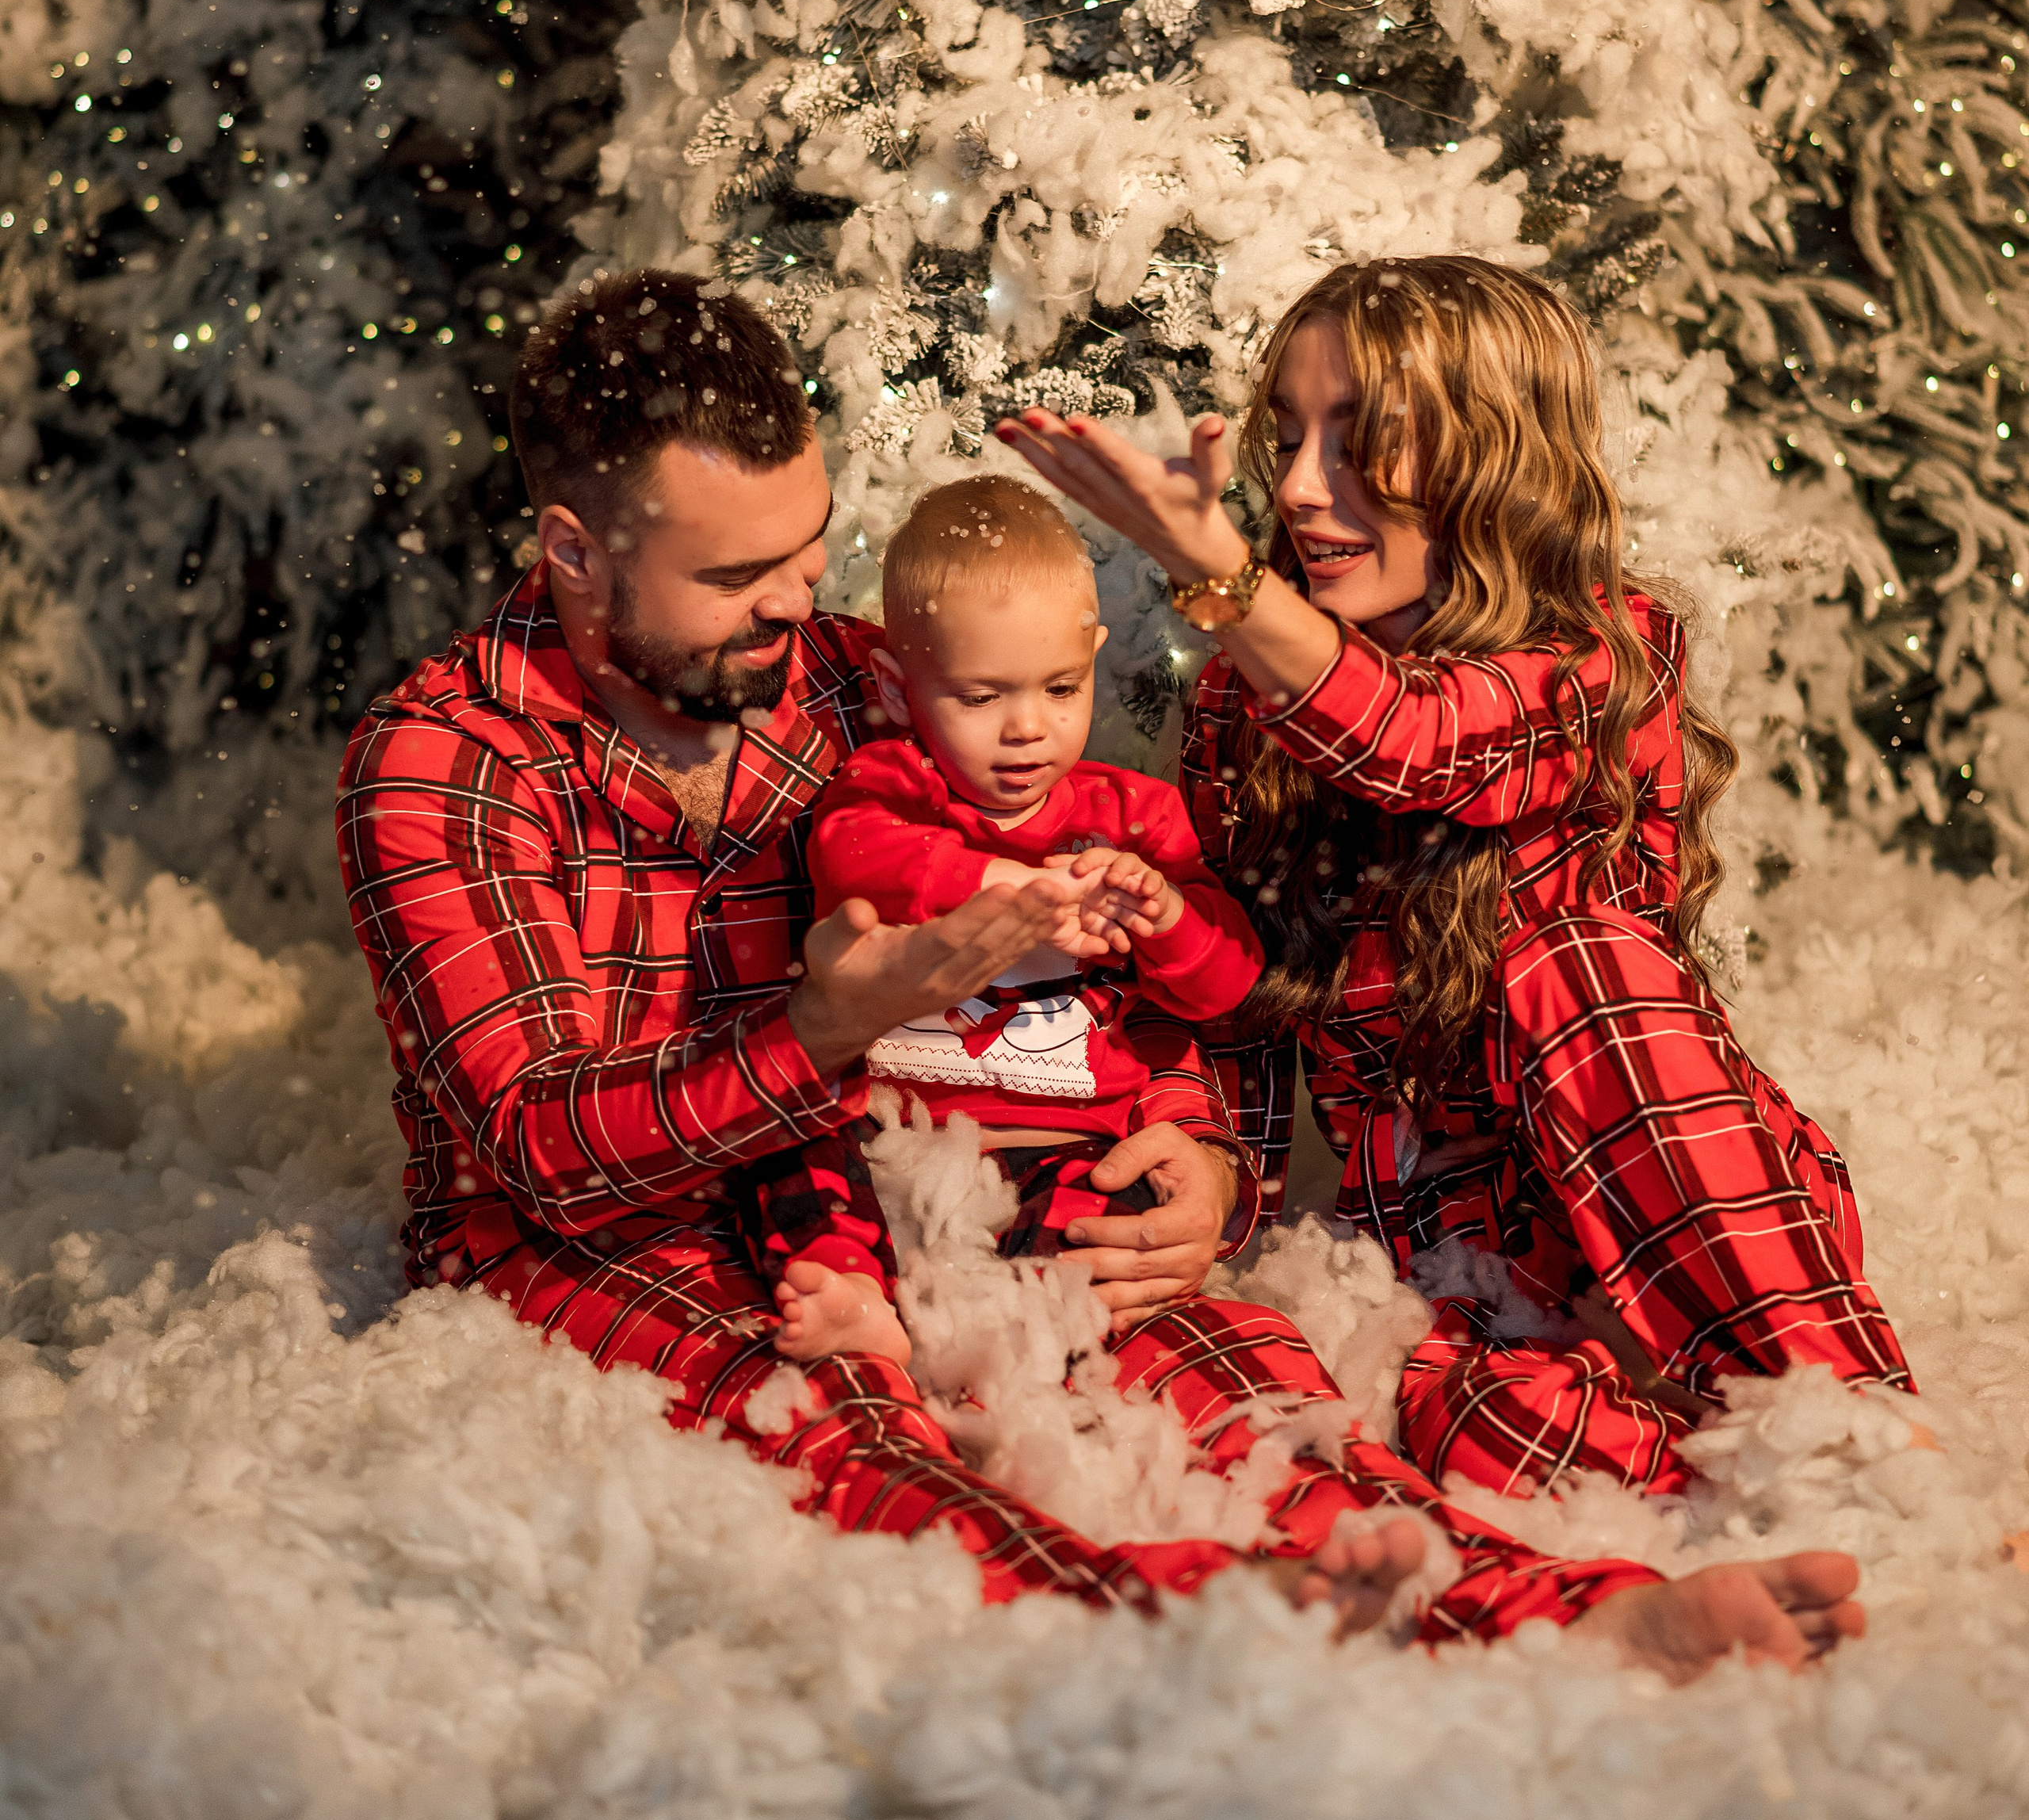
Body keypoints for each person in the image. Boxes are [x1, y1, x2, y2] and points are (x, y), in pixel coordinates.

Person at [335, 262, 1867, 1676]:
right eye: (737, 575)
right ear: (573, 551)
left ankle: (1558, 1618)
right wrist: (820, 1031)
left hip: (951, 1187)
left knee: (1243, 1373)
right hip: (640, 1245)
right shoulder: (444, 765)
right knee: (855, 1438)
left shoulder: (874, 681)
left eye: (807, 551)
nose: (796, 604)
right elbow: (540, 1154)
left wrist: (1197, 1147)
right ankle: (1183, 1628)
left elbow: (1132, 954)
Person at [999, 254, 1915, 1503]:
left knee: (1574, 965)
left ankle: (1865, 1436)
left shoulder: (1603, 653)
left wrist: (1221, 581)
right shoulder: (1240, 707)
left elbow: (1416, 742)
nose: (1307, 488)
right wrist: (1214, 1174)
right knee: (1440, 1419)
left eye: (1362, 441)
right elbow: (1227, 987)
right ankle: (1709, 1464)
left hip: (1695, 1197)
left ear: (1492, 459)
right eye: (1291, 436)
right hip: (1463, 1251)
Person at [742, 473, 1267, 1368]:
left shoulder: (1133, 820)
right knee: (779, 1166)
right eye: (982, 697)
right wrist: (1002, 889)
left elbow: (1224, 987)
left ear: (1094, 657)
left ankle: (1015, 1332)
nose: (1028, 727)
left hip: (1056, 1147)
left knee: (1109, 1222)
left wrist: (1167, 912)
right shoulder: (890, 789)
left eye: (1060, 687)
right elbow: (853, 854)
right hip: (888, 1146)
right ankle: (856, 1296)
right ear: (899, 689)